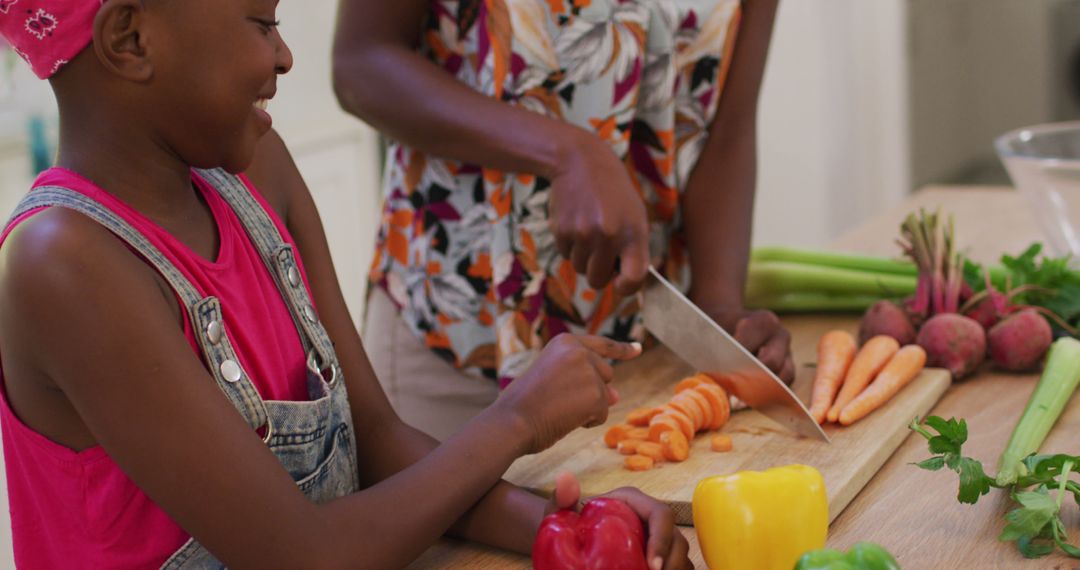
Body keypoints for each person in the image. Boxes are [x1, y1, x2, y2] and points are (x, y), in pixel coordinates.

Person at [0, 1, 690, 568]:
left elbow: (376, 441)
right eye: (260, 23)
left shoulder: (256, 170)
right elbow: (304, 555)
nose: (284, 56)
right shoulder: (63, 267)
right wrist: (516, 420)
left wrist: (565, 527)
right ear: (131, 38)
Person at [333, 0, 793, 440]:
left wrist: (717, 310)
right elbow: (362, 62)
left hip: (638, 355)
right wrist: (566, 152)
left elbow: (726, 125)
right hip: (457, 337)